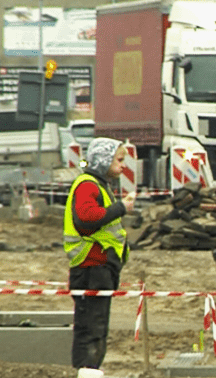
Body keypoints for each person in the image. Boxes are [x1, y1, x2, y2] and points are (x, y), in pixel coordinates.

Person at [64, 137, 136, 371]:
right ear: (105, 159)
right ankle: (87, 372)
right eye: (119, 159)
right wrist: (121, 208)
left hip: (99, 269)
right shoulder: (88, 185)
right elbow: (86, 218)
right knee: (91, 330)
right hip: (91, 268)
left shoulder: (99, 185)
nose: (123, 165)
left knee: (95, 328)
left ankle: (89, 371)